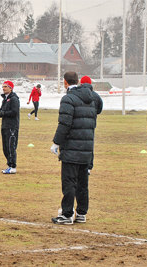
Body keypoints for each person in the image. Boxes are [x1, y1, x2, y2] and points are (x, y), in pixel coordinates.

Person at [50, 71, 97, 225]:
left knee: (69, 182)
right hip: (87, 147)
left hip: (72, 148)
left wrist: (56, 142)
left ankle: (67, 214)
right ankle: (81, 213)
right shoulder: (91, 98)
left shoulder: (68, 99)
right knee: (83, 183)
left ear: (65, 82)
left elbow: (64, 123)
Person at [80, 76, 103, 174]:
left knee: (78, 144)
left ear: (81, 84)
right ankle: (88, 166)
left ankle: (78, 164)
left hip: (79, 123)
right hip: (91, 124)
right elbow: (99, 110)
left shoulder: (77, 94)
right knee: (89, 145)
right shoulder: (96, 96)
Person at [0, 80, 20, 174]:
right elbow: (4, 110)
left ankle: (12, 166)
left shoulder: (14, 99)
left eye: (5, 86)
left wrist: (4, 113)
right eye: (3, 87)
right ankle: (9, 165)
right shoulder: (5, 99)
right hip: (5, 125)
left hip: (12, 126)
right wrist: (0, 112)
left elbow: (14, 112)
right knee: (5, 147)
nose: (3, 88)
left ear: (10, 88)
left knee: (11, 147)